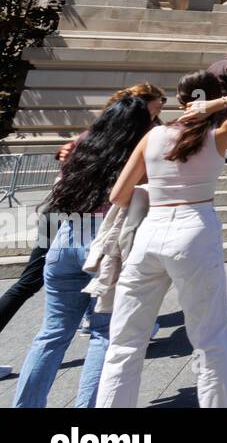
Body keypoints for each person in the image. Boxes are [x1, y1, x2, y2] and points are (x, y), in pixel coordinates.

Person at [96, 74, 227, 408]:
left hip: (151, 231)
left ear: (180, 100)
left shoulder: (152, 137)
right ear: (210, 98)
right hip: (195, 228)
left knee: (124, 342)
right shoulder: (219, 135)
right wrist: (217, 104)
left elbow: (119, 195)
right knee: (210, 338)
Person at [10, 92, 161, 408]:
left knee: (50, 337)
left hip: (64, 240)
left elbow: (58, 195)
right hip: (107, 246)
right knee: (103, 336)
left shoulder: (81, 149)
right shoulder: (137, 154)